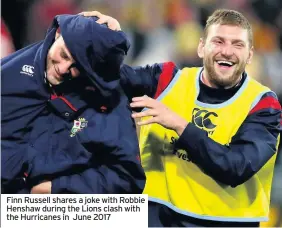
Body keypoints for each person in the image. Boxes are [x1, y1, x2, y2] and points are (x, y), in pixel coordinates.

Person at [83, 9, 282, 227]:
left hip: (224, 223)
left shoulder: (263, 104)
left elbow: (235, 167)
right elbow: (104, 79)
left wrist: (179, 124)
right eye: (218, 41)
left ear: (250, 55)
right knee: (55, 215)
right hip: (155, 216)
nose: (227, 51)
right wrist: (109, 39)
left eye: (237, 44)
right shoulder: (166, 80)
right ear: (201, 47)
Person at [1, 14, 146, 194]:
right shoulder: (9, 74)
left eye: (77, 66)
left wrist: (55, 188)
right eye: (63, 54)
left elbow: (128, 179)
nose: (62, 68)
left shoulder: (106, 103)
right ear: (57, 34)